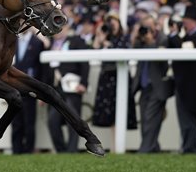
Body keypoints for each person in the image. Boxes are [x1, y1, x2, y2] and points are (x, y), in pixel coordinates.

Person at [168, 4, 196, 153]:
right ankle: (187, 146)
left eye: (186, 20)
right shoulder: (190, 35)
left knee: (188, 118)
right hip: (183, 83)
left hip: (192, 83)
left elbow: (185, 49)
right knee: (184, 117)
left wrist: (175, 35)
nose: (183, 23)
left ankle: (191, 148)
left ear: (193, 20)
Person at [91, 12, 136, 152]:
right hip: (106, 77)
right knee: (110, 115)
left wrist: (107, 43)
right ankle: (114, 146)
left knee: (119, 112)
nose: (111, 24)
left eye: (113, 21)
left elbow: (123, 53)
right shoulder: (106, 37)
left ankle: (118, 147)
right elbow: (94, 49)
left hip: (119, 77)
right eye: (108, 21)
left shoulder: (124, 38)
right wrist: (100, 37)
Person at [131, 13, 173, 153]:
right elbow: (133, 50)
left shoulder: (162, 38)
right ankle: (153, 147)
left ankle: (144, 150)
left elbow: (161, 59)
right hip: (143, 86)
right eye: (145, 27)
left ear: (155, 25)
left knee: (151, 118)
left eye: (149, 26)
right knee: (145, 119)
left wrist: (151, 43)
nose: (147, 30)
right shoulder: (141, 40)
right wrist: (138, 37)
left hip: (157, 85)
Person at [45, 25, 90, 153]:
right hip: (55, 88)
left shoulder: (77, 41)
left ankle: (72, 150)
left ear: (66, 28)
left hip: (72, 86)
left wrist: (84, 83)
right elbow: (46, 70)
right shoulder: (50, 44)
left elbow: (85, 63)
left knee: (73, 120)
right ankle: (61, 150)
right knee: (52, 121)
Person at [11, 27, 47, 154]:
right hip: (14, 88)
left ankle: (28, 150)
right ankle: (16, 150)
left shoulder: (37, 42)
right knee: (15, 122)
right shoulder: (12, 40)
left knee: (29, 122)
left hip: (30, 88)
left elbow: (42, 69)